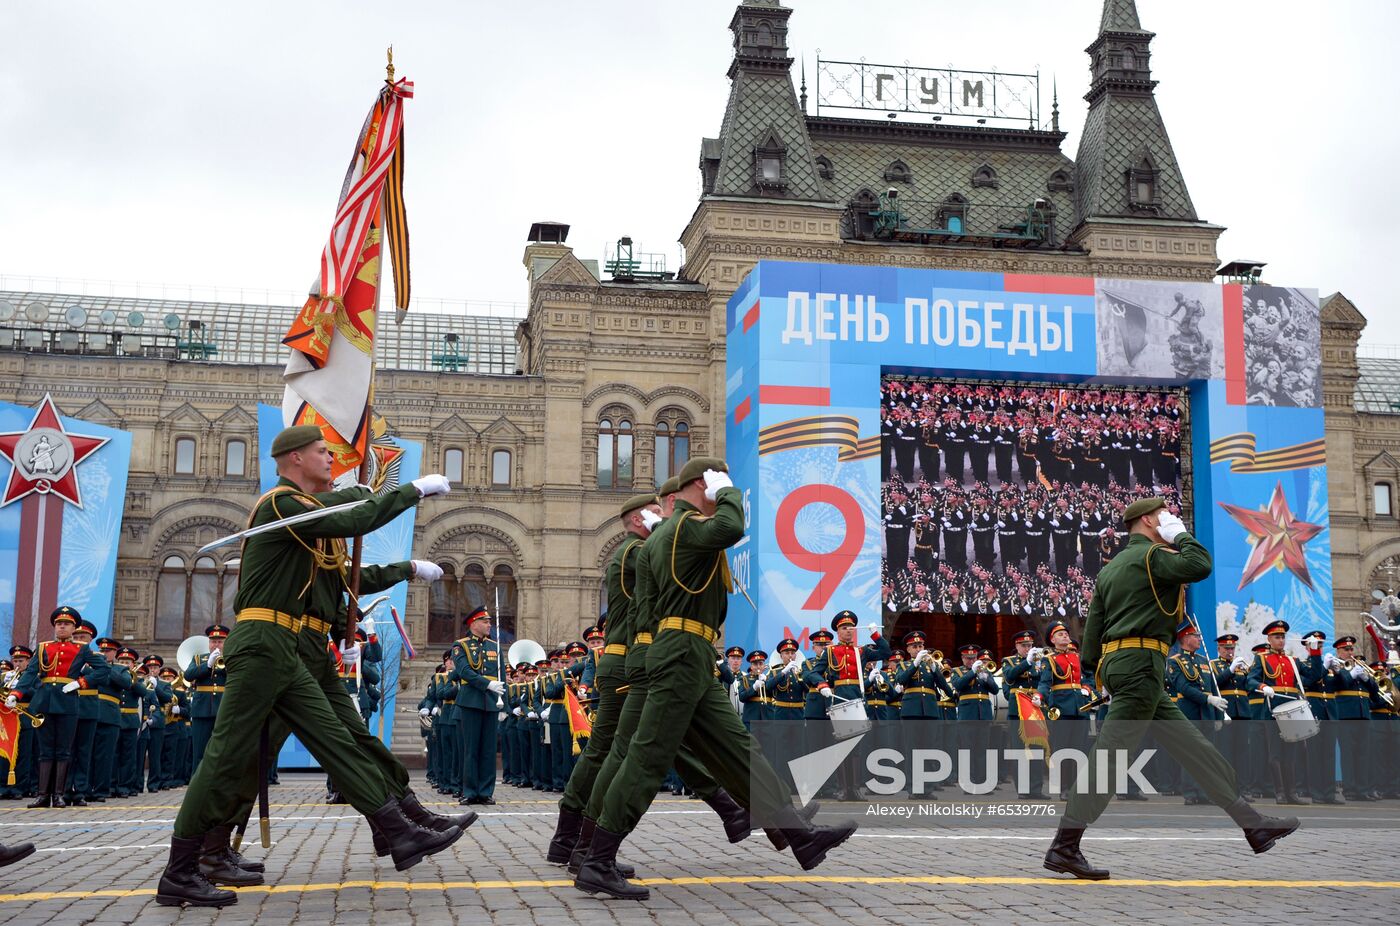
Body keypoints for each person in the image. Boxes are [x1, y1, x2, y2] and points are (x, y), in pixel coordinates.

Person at [153, 425, 464, 908]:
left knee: (339, 738)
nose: (329, 459)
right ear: (294, 458)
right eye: (322, 452)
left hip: (291, 644)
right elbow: (354, 522)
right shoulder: (280, 503)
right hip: (264, 641)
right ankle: (181, 867)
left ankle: (399, 828)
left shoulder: (309, 517)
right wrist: (409, 491)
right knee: (228, 757)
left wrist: (396, 564)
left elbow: (342, 572)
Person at [579, 458, 855, 899]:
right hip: (682, 653)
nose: (724, 491)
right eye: (716, 482)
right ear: (700, 485)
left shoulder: (660, 540)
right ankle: (596, 859)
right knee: (647, 758)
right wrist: (726, 492)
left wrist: (655, 654)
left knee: (736, 746)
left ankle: (797, 834)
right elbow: (729, 527)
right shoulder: (684, 527)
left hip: (687, 653)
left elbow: (645, 611)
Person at [1043, 497, 1299, 881]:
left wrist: (1104, 674)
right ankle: (1065, 845)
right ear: (1149, 520)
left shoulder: (1110, 569)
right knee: (1110, 756)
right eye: (1164, 515)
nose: (1169, 519)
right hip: (1142, 665)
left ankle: (1252, 825)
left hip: (1128, 667)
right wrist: (1179, 535)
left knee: (1194, 748)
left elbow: (1092, 633)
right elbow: (1200, 565)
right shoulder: (1152, 557)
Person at [7, 606, 109, 808]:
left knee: (63, 750)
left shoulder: (81, 648)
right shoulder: (44, 647)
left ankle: (58, 795)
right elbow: (30, 673)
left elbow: (103, 669)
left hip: (67, 701)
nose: (62, 626)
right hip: (44, 701)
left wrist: (81, 682)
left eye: (67, 624)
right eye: (59, 623)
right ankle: (43, 795)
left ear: (73, 628)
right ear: (55, 626)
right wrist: (16, 693)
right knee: (45, 751)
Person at [452, 605, 505, 805]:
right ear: (473, 624)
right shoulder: (460, 646)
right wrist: (487, 684)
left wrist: (504, 706)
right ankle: (470, 791)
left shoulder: (495, 646)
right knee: (471, 749)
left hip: (492, 703)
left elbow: (502, 677)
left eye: (490, 621)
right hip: (471, 701)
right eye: (485, 621)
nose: (489, 624)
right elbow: (464, 671)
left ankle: (485, 791)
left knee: (489, 750)